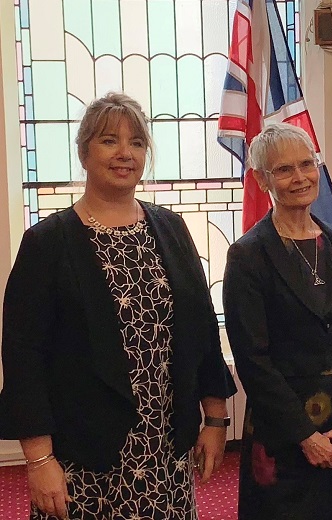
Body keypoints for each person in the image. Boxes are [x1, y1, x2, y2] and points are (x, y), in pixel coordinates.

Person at [0, 92, 236, 519]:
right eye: (109, 141)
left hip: (165, 447)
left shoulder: (172, 228)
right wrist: (37, 460)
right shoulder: (47, 243)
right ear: (84, 153)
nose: (125, 154)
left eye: (138, 143)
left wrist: (215, 420)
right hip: (84, 456)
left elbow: (200, 329)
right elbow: (24, 359)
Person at [222, 122, 332, 520]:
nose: (300, 178)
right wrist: (305, 436)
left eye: (306, 164)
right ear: (261, 179)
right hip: (285, 435)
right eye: (283, 170)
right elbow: (252, 359)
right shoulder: (248, 257)